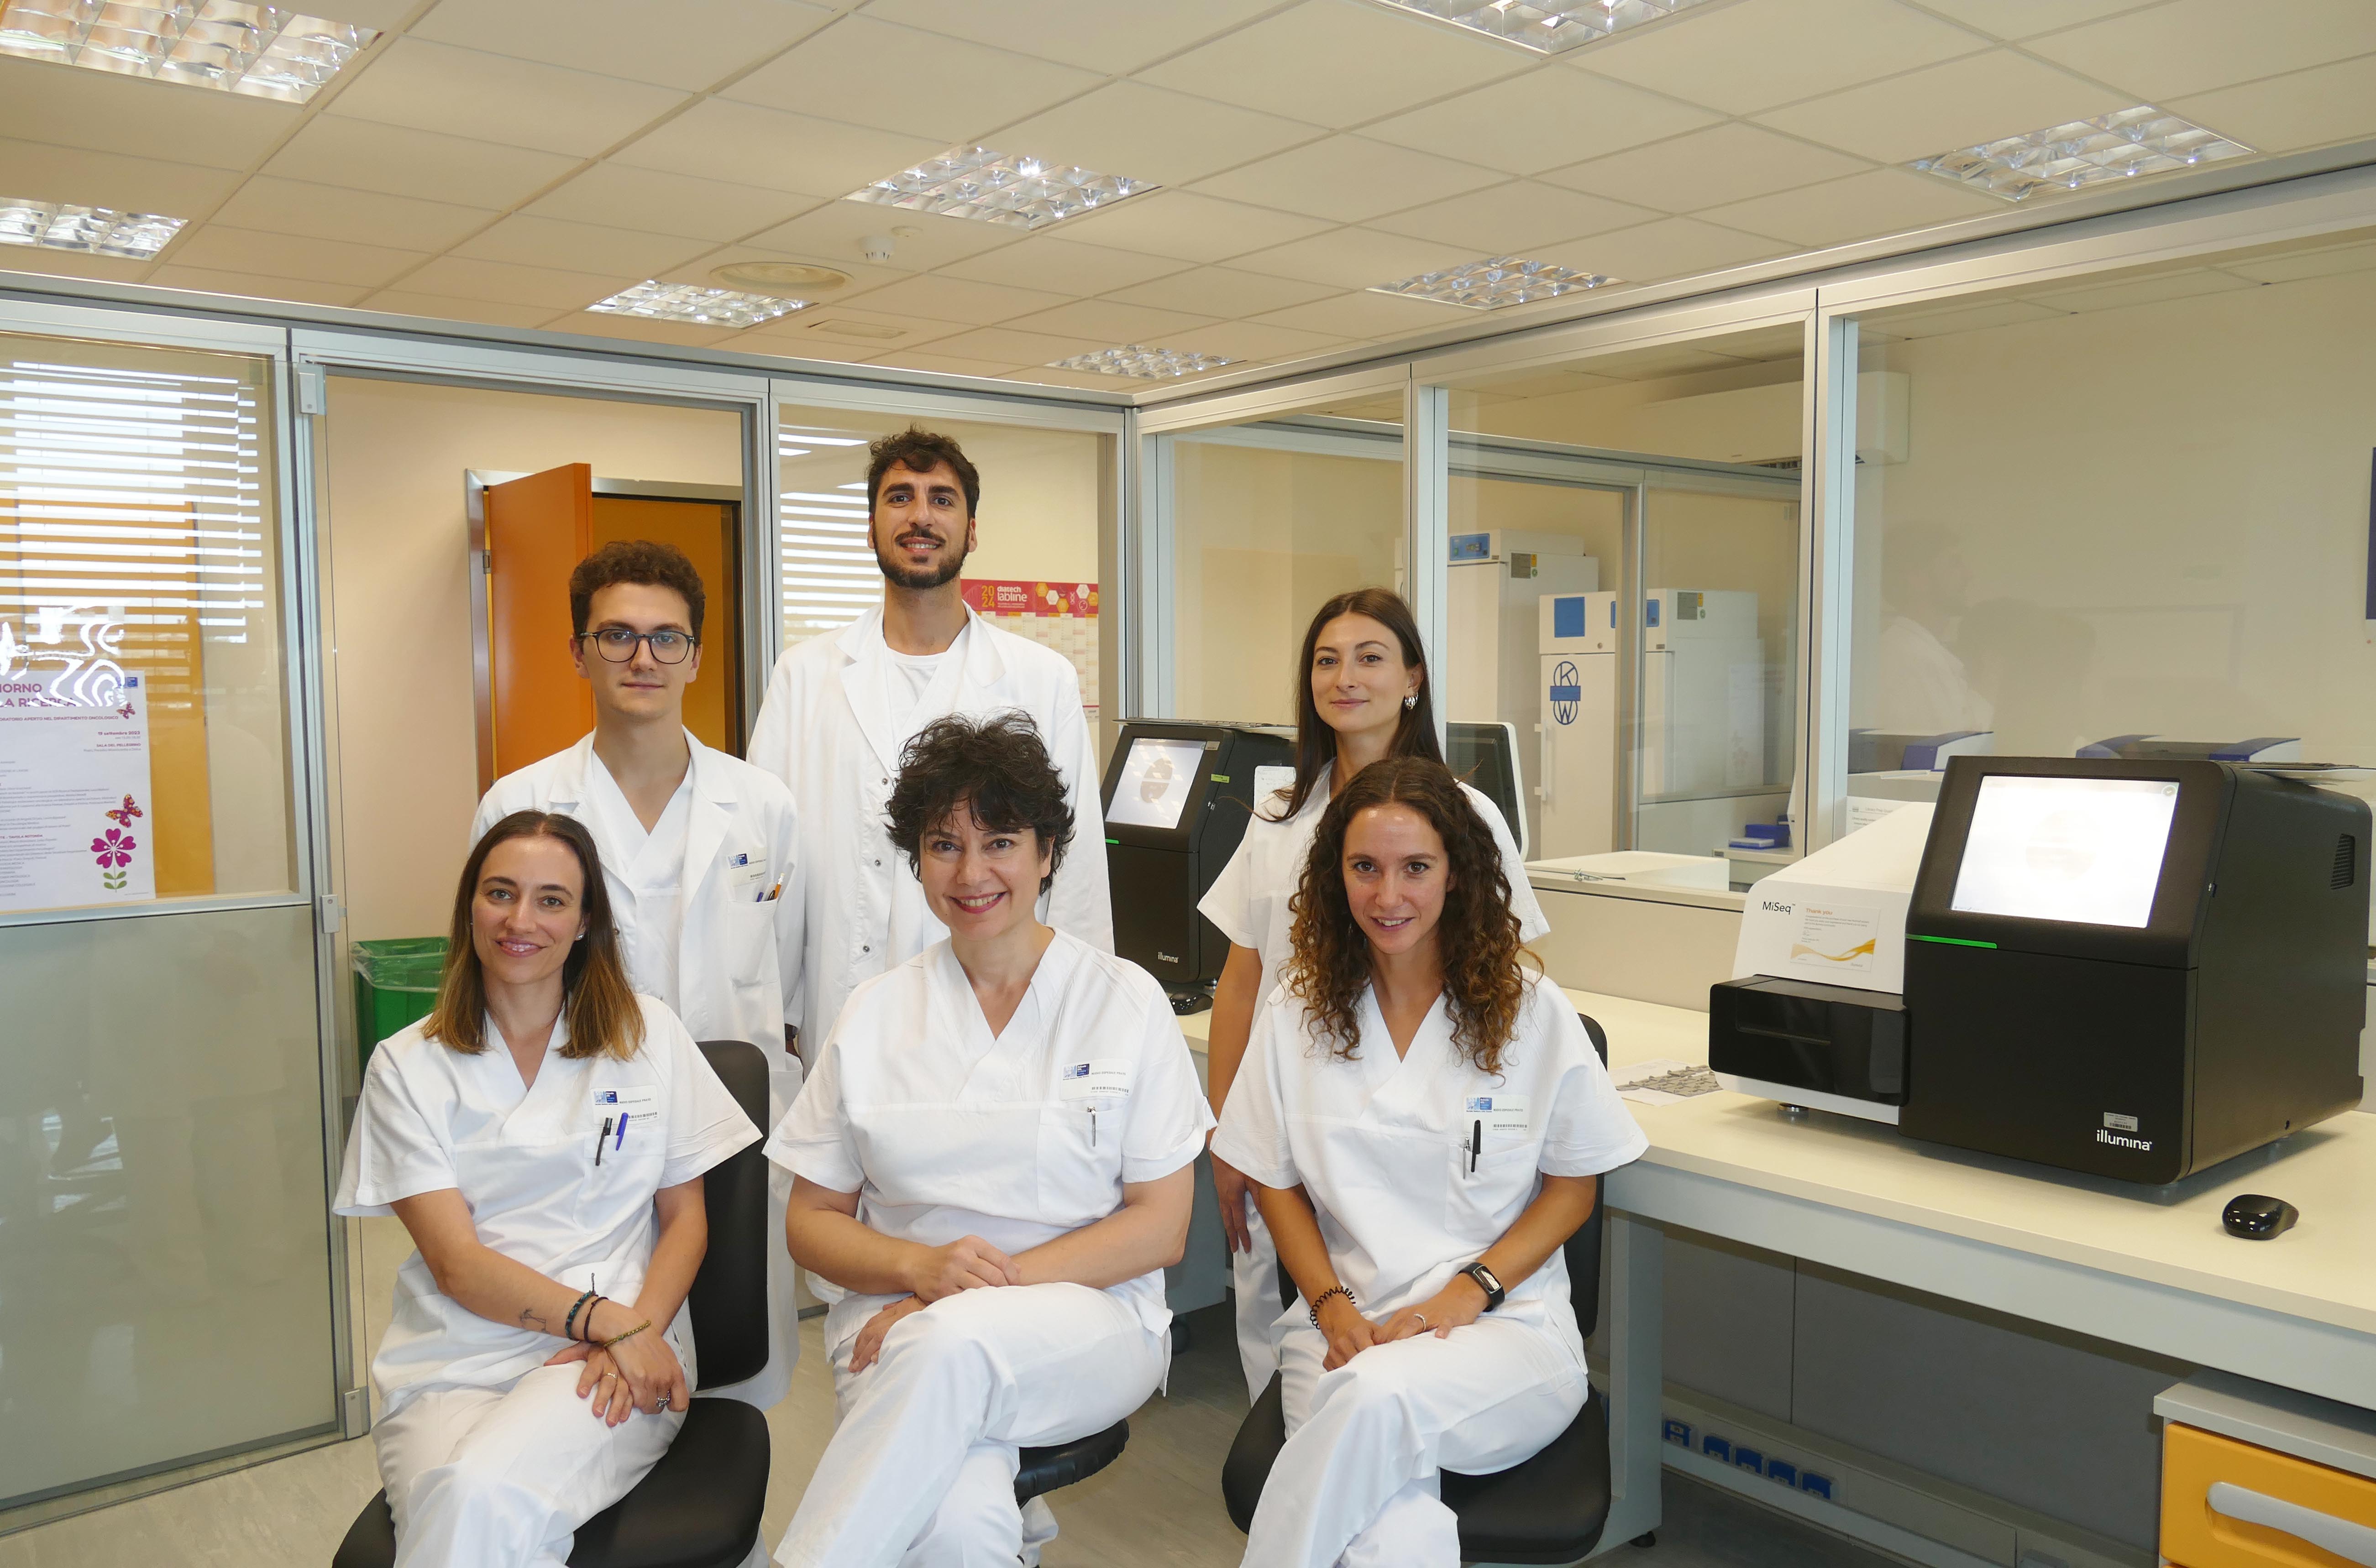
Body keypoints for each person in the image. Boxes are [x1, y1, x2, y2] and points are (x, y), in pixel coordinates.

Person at [767, 713, 1207, 1568]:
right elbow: (810, 1222)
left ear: (1047, 853)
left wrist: (957, 1297)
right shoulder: (875, 1013)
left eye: (1000, 842)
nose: (971, 874)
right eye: (944, 846)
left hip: (1085, 1321)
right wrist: (917, 1270)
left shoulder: (1123, 1002)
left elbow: (1160, 1229)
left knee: (949, 1344)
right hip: (891, 1320)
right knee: (961, 1526)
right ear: (917, 861)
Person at [1213, 758, 1646, 1568]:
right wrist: (1332, 1307)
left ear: (1457, 874)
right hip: (1343, 1331)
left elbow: (1572, 1190)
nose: (1388, 896)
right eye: (1364, 868)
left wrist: (1465, 1291)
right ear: (1335, 876)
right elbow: (1273, 1179)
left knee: (1372, 1400)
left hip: (1500, 1333)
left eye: (1415, 867)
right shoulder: (1298, 1011)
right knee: (1387, 1524)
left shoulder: (1529, 1014)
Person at [334, 811, 760, 1568]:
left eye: (551, 900)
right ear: (470, 906)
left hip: (614, 1357)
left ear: (585, 919)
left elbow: (684, 1219)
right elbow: (458, 1265)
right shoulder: (407, 1066)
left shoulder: (647, 1035)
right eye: (500, 893)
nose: (520, 921)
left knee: (472, 1499)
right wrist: (606, 1323)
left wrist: (634, 1333)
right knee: (466, 1515)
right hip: (451, 1362)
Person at [473, 538, 804, 1408]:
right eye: (616, 635)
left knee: (738, 1366)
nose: (642, 658)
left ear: (695, 656)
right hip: (583, 1131)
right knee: (591, 1370)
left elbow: (794, 971)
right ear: (578, 652)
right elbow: (494, 979)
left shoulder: (762, 804)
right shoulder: (520, 804)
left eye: (667, 638)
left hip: (735, 1121)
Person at [1199, 587, 1551, 1401]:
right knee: (1287, 1336)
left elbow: (1508, 977)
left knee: (1408, 1350)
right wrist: (1228, 1133)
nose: (1344, 678)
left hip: (1412, 1126)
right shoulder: (1279, 819)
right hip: (1291, 1117)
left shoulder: (1466, 815)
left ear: (1413, 678)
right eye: (1326, 661)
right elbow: (1242, 980)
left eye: (1369, 658)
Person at [746, 426, 1112, 1058]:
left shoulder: (1039, 679)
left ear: (972, 530)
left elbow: (1075, 871)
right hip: (840, 1013)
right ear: (871, 528)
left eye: (942, 499)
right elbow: (769, 857)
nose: (921, 516)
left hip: (1004, 1015)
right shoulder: (803, 677)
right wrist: (770, 1017)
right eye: (900, 498)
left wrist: (1086, 1016)